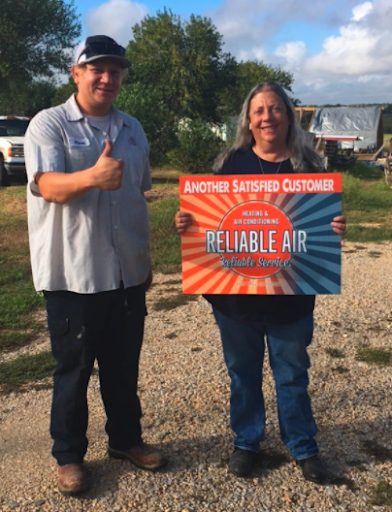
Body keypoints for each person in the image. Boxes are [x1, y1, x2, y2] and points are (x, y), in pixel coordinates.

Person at [175, 81, 346, 484]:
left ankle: (303, 446)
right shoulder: (229, 164)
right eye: (259, 111)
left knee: (292, 374)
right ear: (248, 120)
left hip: (291, 297)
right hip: (236, 300)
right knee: (242, 373)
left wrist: (335, 226)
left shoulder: (311, 168)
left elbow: (321, 229)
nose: (267, 117)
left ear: (288, 116)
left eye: (275, 109)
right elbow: (209, 224)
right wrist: (188, 223)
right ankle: (246, 442)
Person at [25, 35, 167, 496]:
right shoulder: (49, 125)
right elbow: (46, 186)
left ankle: (126, 440)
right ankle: (68, 456)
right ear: (77, 73)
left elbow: (139, 191)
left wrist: (143, 259)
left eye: (115, 70)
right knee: (74, 370)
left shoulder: (133, 129)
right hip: (74, 276)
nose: (107, 78)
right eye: (96, 69)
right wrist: (91, 177)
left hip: (127, 273)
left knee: (124, 368)